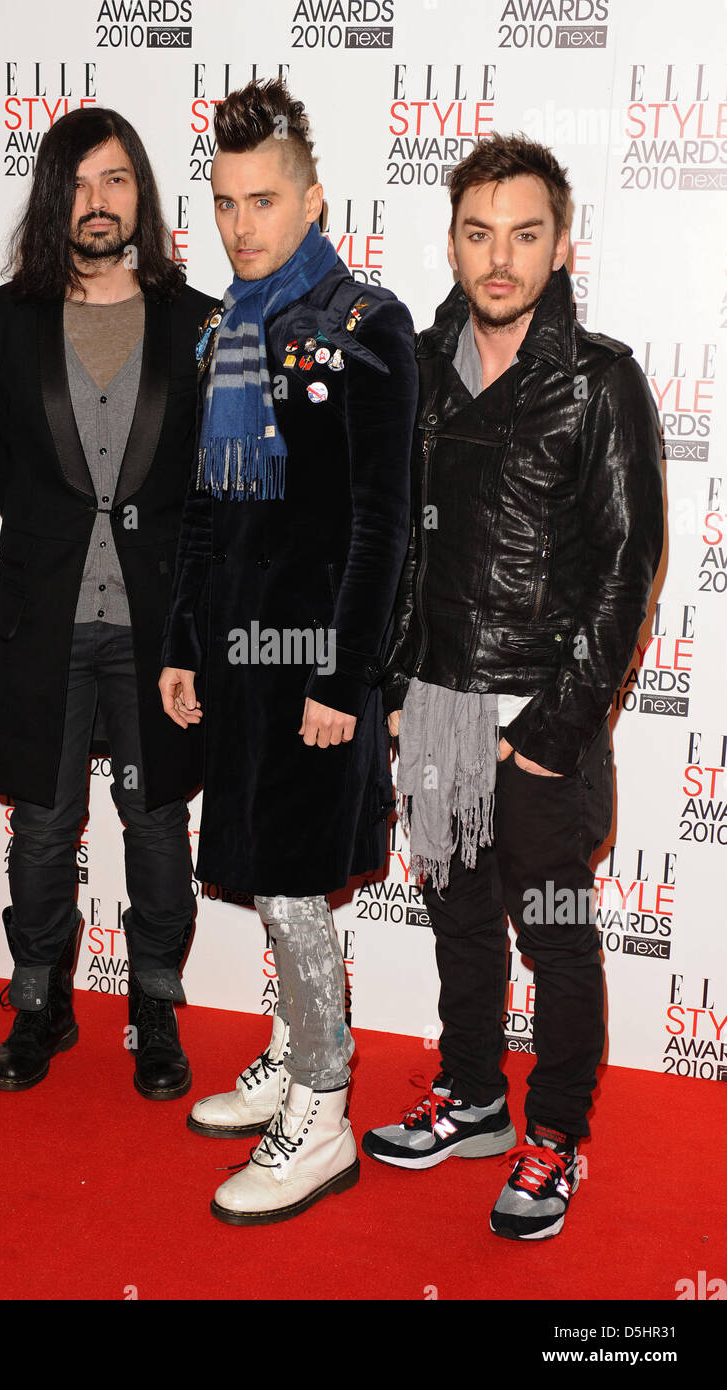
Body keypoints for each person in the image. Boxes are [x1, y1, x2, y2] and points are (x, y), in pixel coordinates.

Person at [362, 134, 663, 1239]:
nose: (499, 258)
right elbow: (395, 543)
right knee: (456, 925)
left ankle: (555, 1136)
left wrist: (553, 730)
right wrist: (398, 688)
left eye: (522, 235)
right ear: (451, 241)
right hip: (437, 708)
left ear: (559, 243)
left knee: (552, 933)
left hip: (540, 716)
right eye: (478, 234)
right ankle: (475, 1095)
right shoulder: (416, 371)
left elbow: (628, 569)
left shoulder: (597, 381)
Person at [159, 78, 417, 1224]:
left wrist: (341, 678)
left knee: (298, 890)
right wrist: (179, 645)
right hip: (236, 664)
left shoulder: (368, 323)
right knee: (268, 874)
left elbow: (381, 521)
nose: (240, 224)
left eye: (262, 200)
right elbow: (204, 513)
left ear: (311, 197)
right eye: (223, 202)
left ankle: (322, 1108)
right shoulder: (222, 329)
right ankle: (285, 1055)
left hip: (315, 665)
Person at [0, 107, 215, 1100]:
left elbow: (205, 484)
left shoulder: (197, 324)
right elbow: (3, 467)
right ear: (51, 197)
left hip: (158, 630)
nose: (96, 201)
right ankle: (42, 1003)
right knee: (40, 822)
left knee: (155, 822)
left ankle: (152, 1005)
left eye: (115, 181)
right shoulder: (5, 319)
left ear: (140, 196)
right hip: (46, 621)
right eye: (76, 182)